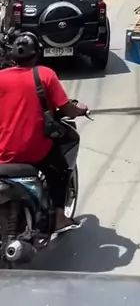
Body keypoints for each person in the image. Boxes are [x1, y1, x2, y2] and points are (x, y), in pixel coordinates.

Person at [0, 32, 89, 233]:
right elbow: (66, 108)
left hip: (3, 151)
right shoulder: (45, 75)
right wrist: (81, 109)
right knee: (60, 170)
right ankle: (59, 219)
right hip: (34, 150)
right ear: (37, 54)